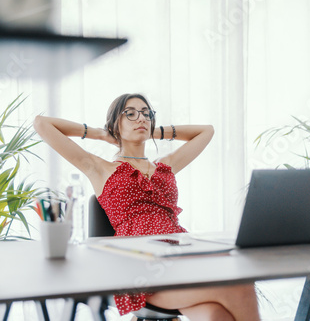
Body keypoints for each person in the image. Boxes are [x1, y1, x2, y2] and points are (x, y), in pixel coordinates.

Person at [33, 93, 260, 321]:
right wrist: (103, 134)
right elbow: (42, 124)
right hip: (141, 268)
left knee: (214, 314)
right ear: (116, 123)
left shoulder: (165, 166)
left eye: (146, 114)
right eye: (129, 114)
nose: (140, 118)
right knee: (239, 286)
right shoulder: (100, 169)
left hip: (182, 255)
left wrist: (155, 131)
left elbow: (207, 131)